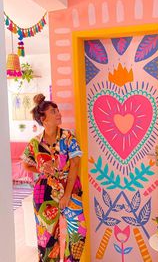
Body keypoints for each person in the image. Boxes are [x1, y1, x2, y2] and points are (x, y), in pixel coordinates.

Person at [22, 93, 86, 262]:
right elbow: (25, 163)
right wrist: (41, 168)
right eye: (53, 111)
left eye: (57, 110)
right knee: (47, 239)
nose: (59, 113)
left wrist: (66, 194)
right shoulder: (35, 143)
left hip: (70, 190)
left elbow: (75, 164)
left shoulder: (68, 137)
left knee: (78, 233)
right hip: (44, 193)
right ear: (44, 119)